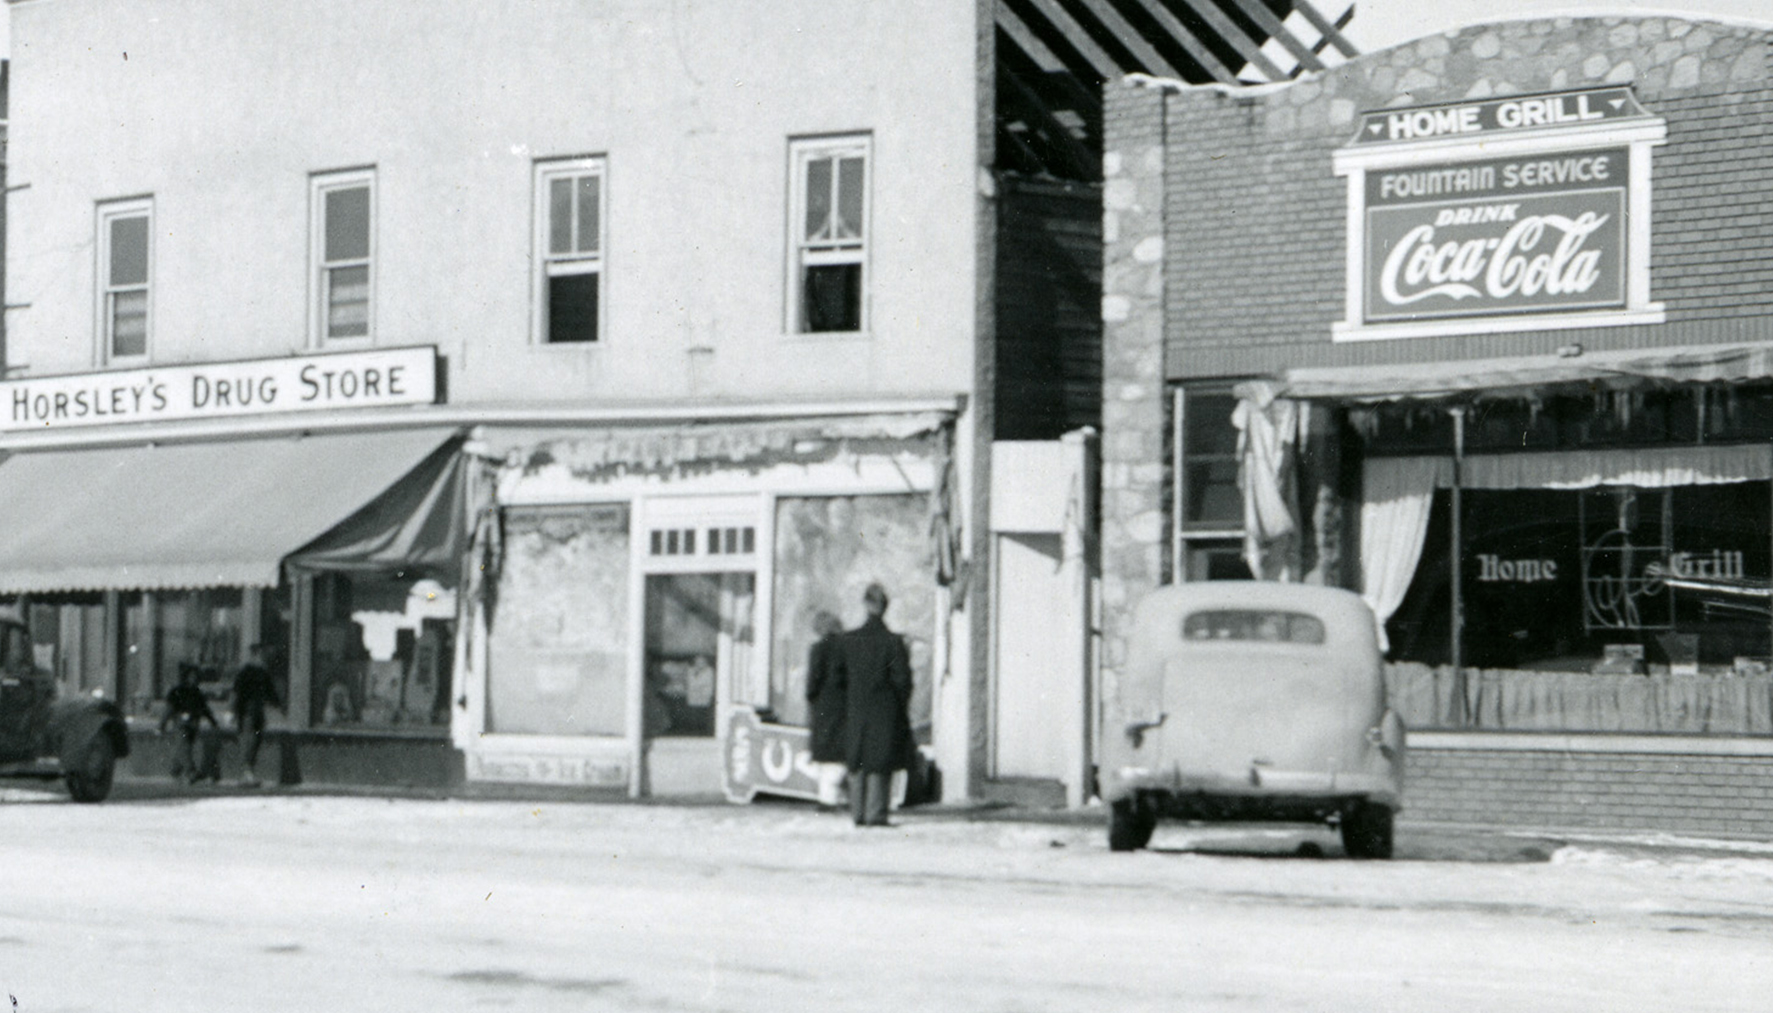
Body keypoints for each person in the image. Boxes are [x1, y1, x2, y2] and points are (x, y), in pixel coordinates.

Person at [837, 583, 913, 827]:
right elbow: (903, 682)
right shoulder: (893, 643)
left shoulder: (849, 640)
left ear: (865, 605)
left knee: (857, 761)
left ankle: (857, 812)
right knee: (879, 764)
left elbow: (839, 680)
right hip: (885, 712)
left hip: (856, 711)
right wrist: (898, 706)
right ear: (885, 608)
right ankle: (875, 813)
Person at [803, 610, 847, 808]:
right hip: (843, 706)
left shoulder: (818, 649)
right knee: (838, 752)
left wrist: (812, 698)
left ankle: (827, 798)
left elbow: (813, 683)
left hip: (823, 706)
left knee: (825, 753)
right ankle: (840, 794)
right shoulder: (847, 647)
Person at [230, 644, 283, 787]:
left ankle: (248, 772)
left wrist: (277, 704)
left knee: (253, 741)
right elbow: (237, 694)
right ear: (254, 655)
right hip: (248, 712)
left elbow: (270, 693)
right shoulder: (247, 673)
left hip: (254, 712)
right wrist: (234, 711)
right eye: (258, 654)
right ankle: (247, 772)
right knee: (250, 741)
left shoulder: (260, 673)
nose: (261, 657)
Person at [159, 665, 219, 784]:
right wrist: (163, 723)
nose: (194, 679)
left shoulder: (197, 693)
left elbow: (204, 709)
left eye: (196, 677)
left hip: (193, 722)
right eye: (192, 677)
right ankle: (190, 771)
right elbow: (169, 709)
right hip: (181, 722)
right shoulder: (179, 691)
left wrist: (213, 721)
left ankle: (176, 769)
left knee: (184, 746)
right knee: (184, 745)